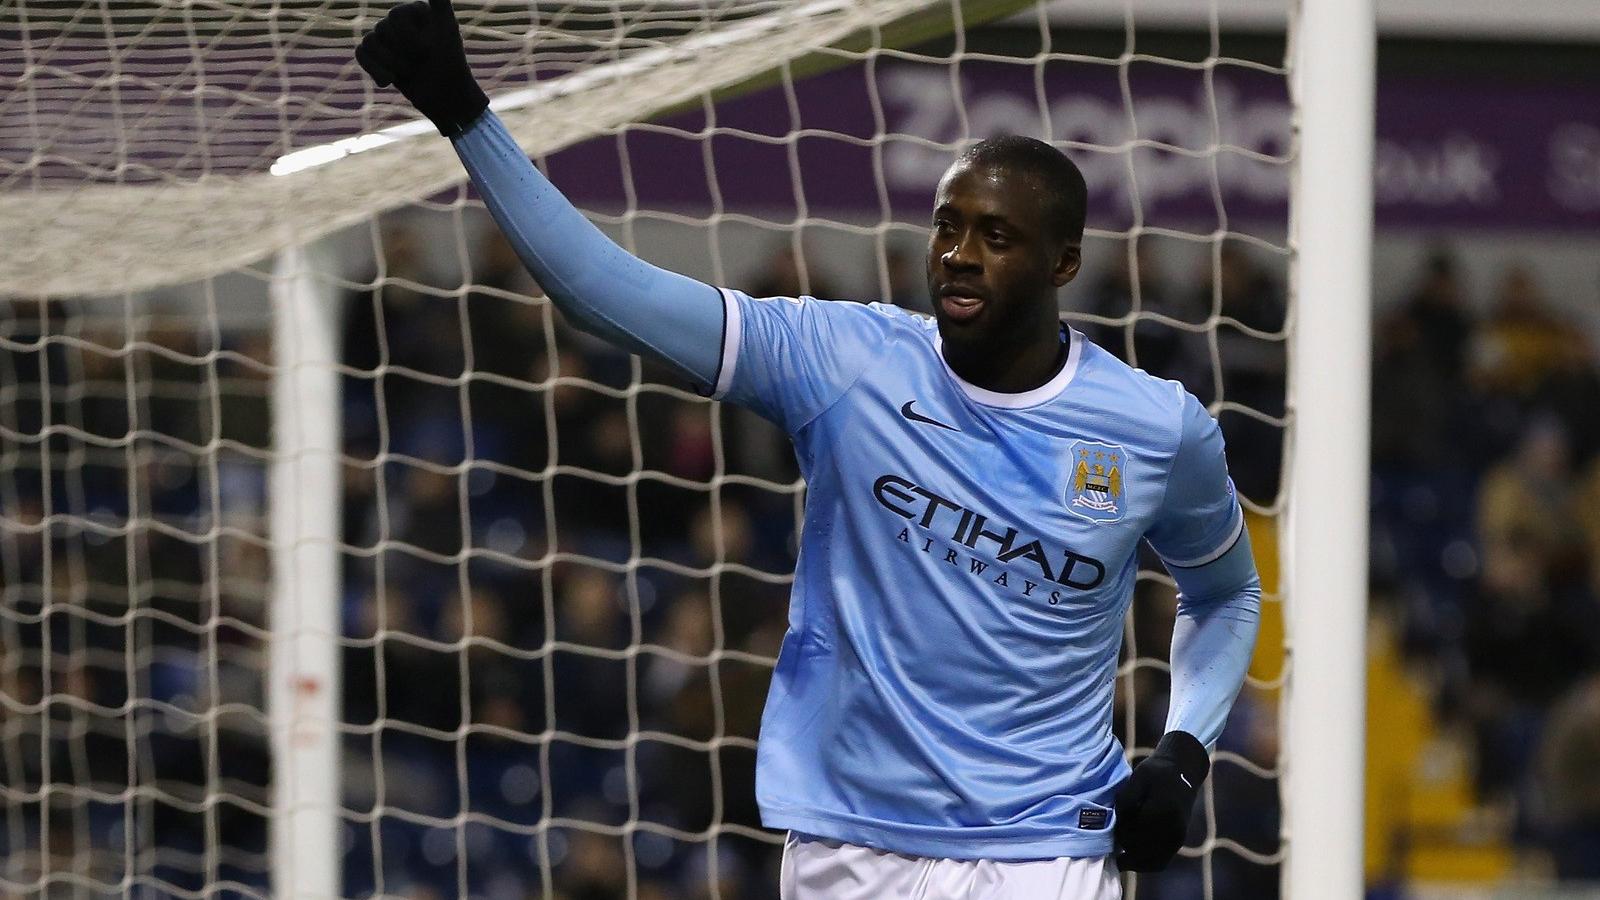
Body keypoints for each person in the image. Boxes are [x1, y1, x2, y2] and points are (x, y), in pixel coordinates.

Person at [355, 2, 1262, 897]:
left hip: (1045, 848)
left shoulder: (1155, 426)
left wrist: (1183, 754)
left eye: (997, 237)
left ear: (1063, 263)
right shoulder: (845, 361)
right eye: (948, 226)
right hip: (847, 844)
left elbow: (1226, 593)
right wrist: (465, 115)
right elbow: (605, 291)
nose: (959, 255)